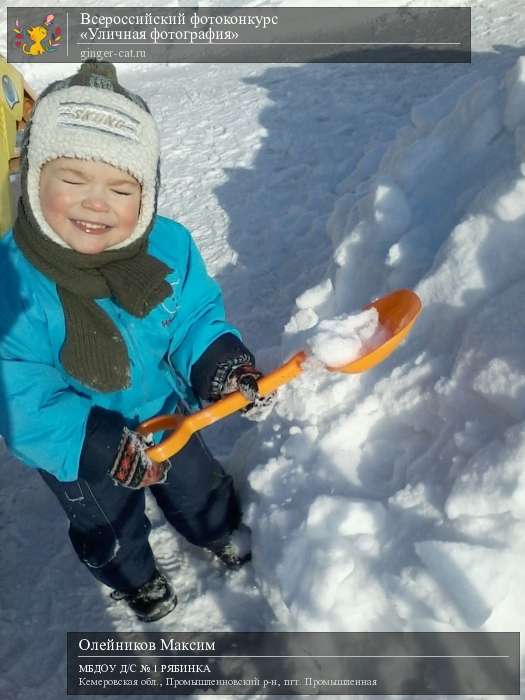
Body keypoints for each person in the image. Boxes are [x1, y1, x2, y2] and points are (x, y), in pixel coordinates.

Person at [0, 60, 272, 623]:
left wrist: (222, 365)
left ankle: (217, 529)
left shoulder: (168, 247)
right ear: (32, 178)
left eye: (122, 187)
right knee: (107, 522)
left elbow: (194, 317)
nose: (96, 202)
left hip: (164, 411)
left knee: (197, 482)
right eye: (72, 179)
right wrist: (97, 443)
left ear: (147, 194)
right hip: (79, 448)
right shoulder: (14, 280)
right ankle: (135, 578)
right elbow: (17, 390)